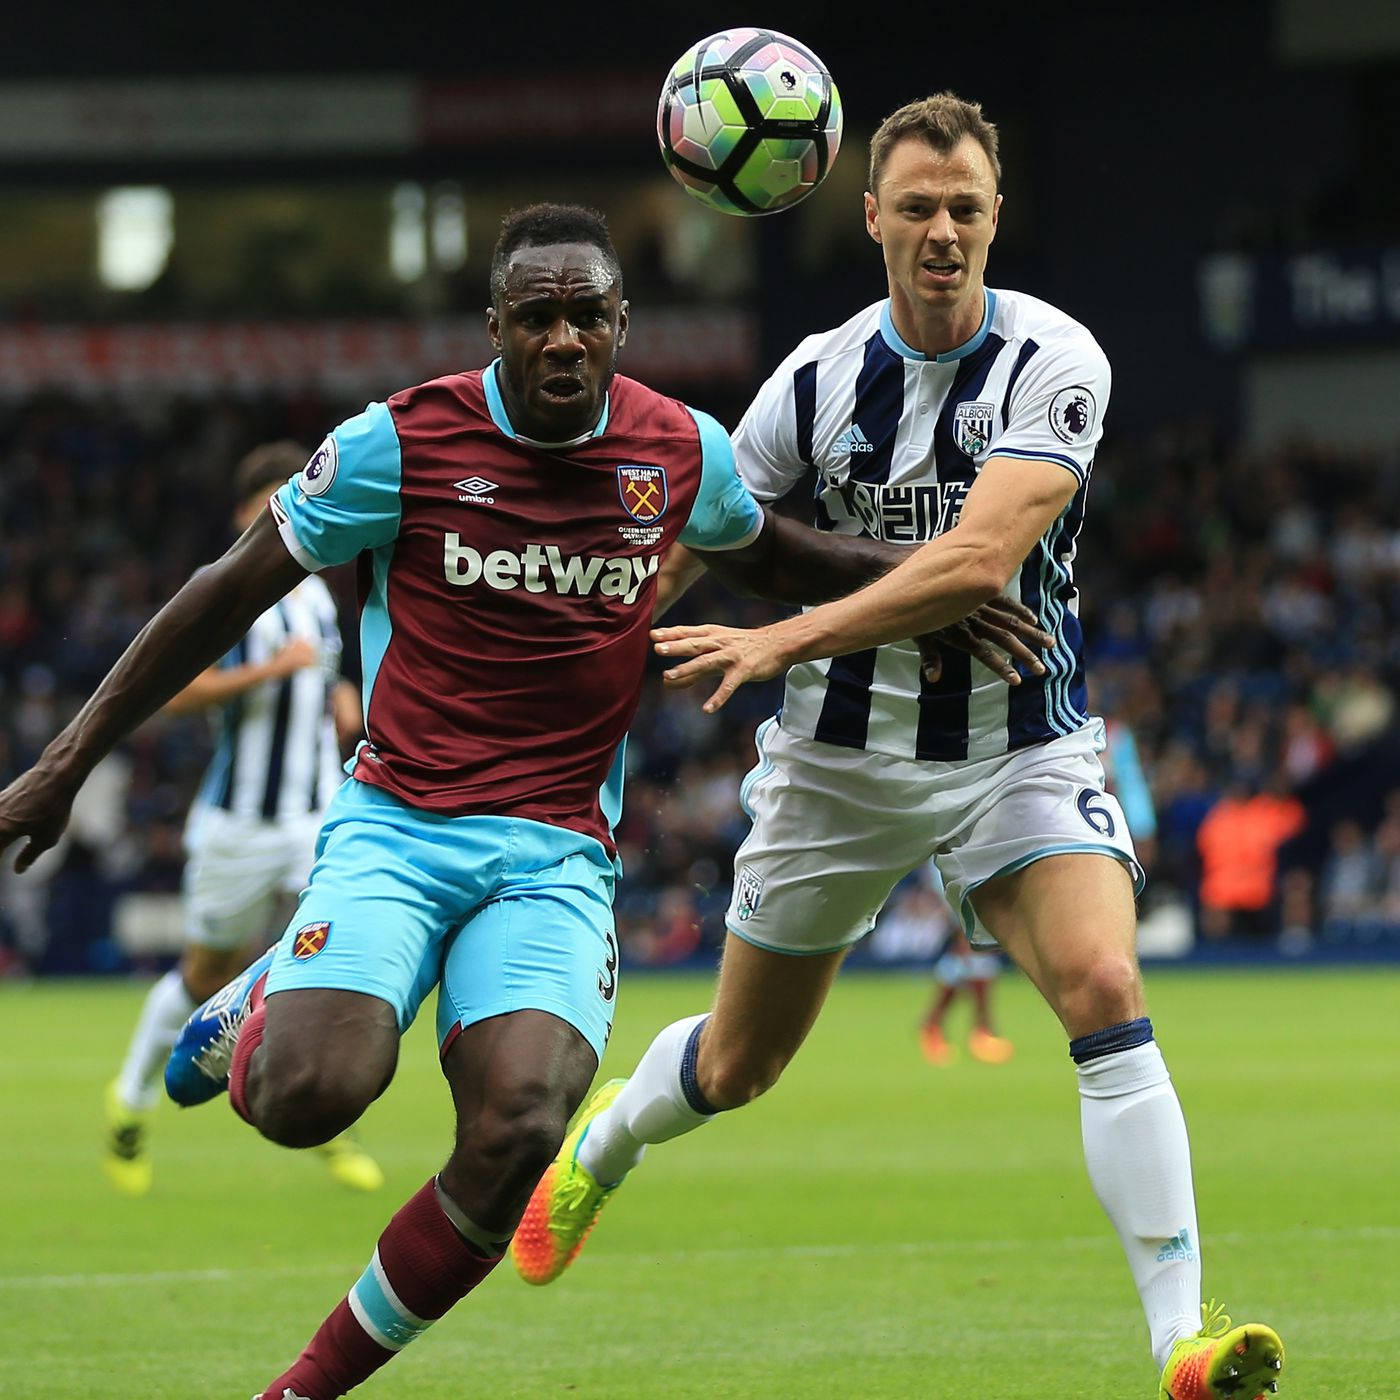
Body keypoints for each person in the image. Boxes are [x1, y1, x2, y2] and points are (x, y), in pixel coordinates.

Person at [0, 203, 1047, 1400]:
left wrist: (934, 585)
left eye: (586, 316)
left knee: (520, 1129)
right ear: (494, 324)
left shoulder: (676, 451)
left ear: (619, 324)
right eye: (536, 316)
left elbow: (774, 553)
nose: (562, 339)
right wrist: (67, 759)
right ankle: (261, 997)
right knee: (308, 1097)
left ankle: (297, 1390)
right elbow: (223, 590)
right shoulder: (398, 444)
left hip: (551, 850)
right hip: (396, 826)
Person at [514, 99, 1285, 1400]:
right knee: (736, 1066)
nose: (943, 231)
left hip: (1018, 750)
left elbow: (978, 565)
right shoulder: (812, 381)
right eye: (918, 207)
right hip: (837, 767)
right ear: (867, 216)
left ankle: (1183, 1344)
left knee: (1103, 982)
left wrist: (784, 636)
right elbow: (705, 531)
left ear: (996, 219)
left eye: (967, 208)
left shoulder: (1056, 359)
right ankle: (611, 1143)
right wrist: (576, 662)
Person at [102, 442, 382, 1197]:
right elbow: (175, 690)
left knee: (334, 950)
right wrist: (271, 672)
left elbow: (320, 678)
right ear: (243, 512)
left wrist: (339, 699)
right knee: (204, 975)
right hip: (238, 824)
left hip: (315, 815)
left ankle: (327, 1114)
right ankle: (130, 1101)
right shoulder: (228, 590)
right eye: (272, 502)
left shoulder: (320, 597)